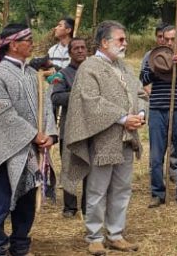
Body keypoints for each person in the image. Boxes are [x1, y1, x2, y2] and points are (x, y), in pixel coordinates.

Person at [0, 24, 57, 256]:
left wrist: (50, 134)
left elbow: (46, 104)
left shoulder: (32, 73)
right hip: (5, 151)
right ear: (13, 44)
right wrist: (34, 135)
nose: (32, 43)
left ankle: (20, 247)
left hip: (30, 150)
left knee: (26, 202)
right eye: (28, 39)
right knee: (1, 203)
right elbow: (3, 113)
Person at [62, 21, 146, 255]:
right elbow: (90, 101)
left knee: (122, 188)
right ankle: (95, 236)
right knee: (98, 190)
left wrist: (139, 114)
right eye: (121, 39)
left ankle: (116, 234)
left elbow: (139, 93)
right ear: (104, 42)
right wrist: (122, 117)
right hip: (103, 140)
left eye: (125, 39)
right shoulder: (89, 67)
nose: (125, 43)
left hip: (126, 139)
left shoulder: (123, 66)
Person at [140, 25, 177, 207]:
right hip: (158, 109)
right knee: (156, 156)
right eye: (165, 39)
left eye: (173, 39)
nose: (168, 42)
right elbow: (143, 78)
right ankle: (158, 193)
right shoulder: (154, 55)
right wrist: (157, 66)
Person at [51, 36, 89, 217]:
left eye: (83, 47)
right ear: (70, 52)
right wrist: (78, 95)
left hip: (91, 128)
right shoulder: (62, 75)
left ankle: (88, 207)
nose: (80, 50)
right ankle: (70, 207)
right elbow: (56, 97)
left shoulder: (92, 72)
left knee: (91, 169)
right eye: (76, 48)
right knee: (68, 167)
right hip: (70, 128)